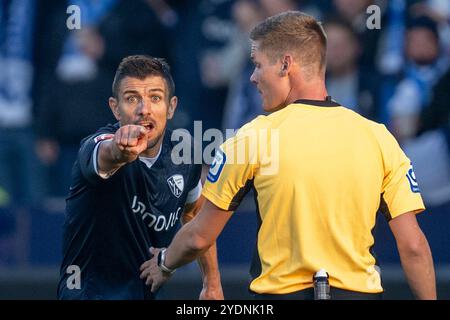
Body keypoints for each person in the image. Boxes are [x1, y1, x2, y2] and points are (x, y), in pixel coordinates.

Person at [140, 12, 436, 300]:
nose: (253, 77)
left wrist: (165, 262)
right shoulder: (379, 137)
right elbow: (413, 246)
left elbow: (199, 237)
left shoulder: (252, 137)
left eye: (257, 65)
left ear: (285, 64)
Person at [58, 55, 223, 300]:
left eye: (155, 98)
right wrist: (119, 149)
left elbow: (195, 216)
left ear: (171, 107)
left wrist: (211, 283)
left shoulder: (185, 154)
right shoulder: (95, 146)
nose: (143, 109)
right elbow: (106, 153)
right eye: (131, 99)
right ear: (115, 108)